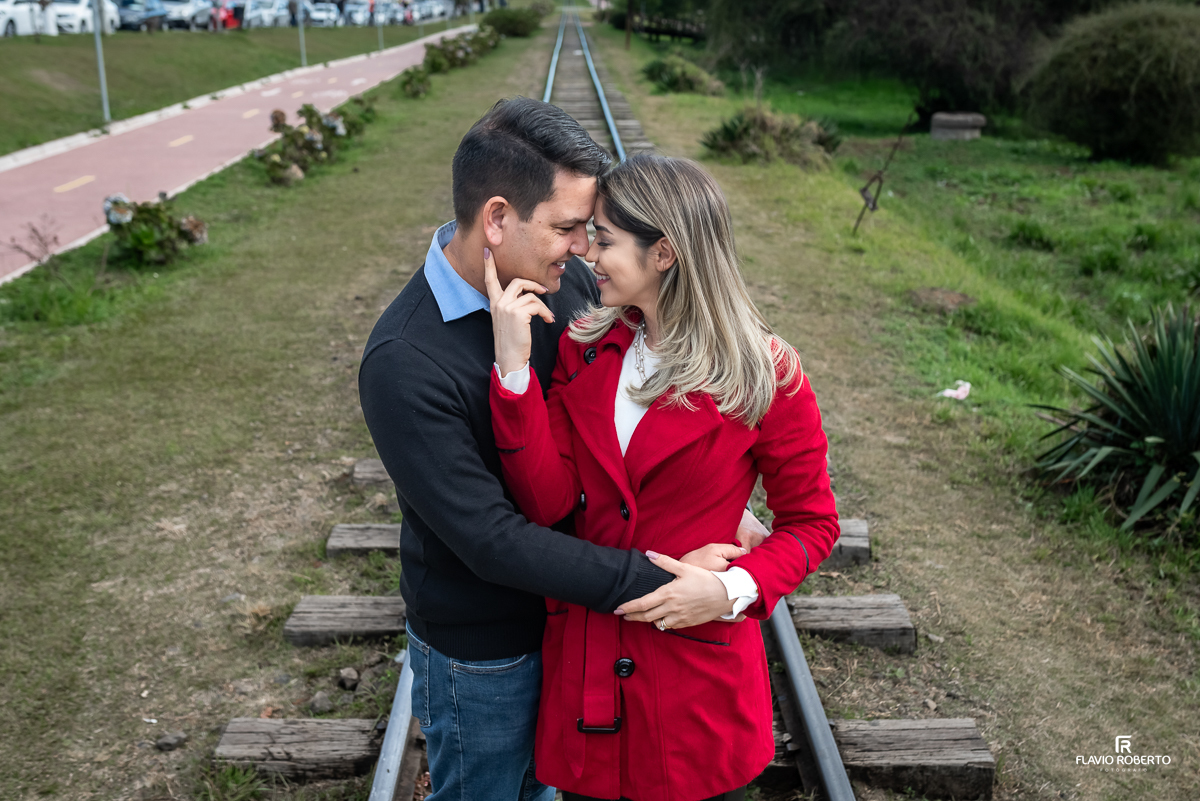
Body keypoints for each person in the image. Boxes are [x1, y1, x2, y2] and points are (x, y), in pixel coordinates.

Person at [358, 99, 768, 801]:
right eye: (567, 227)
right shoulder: (404, 361)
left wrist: (704, 497)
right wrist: (660, 579)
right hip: (490, 649)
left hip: (585, 627)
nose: (584, 248)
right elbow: (493, 541)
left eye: (589, 230)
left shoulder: (569, 281)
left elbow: (624, 408)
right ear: (497, 219)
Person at [485, 154, 840, 801]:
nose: (587, 253)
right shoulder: (584, 348)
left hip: (693, 687)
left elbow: (812, 523)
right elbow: (548, 500)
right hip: (590, 672)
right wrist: (513, 373)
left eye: (605, 240)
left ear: (665, 253)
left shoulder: (766, 373)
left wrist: (729, 589)